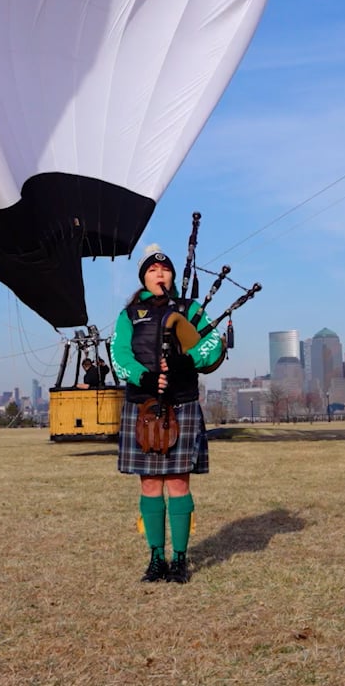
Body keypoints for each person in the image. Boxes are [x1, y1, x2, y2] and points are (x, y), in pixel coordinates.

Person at [109, 243, 226, 583]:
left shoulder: (191, 310)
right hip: (143, 405)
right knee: (149, 484)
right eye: (151, 270)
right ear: (143, 277)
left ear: (172, 275)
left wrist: (185, 360)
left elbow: (212, 344)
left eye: (164, 269)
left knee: (177, 482)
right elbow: (119, 354)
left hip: (182, 402)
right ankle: (156, 558)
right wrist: (143, 375)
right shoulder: (128, 315)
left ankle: (180, 559)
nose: (159, 274)